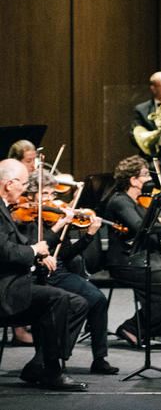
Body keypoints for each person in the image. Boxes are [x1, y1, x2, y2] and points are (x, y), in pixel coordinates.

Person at [0, 159, 87, 391]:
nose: (26, 190)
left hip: (16, 281)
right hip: (5, 288)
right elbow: (5, 252)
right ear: (9, 183)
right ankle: (52, 369)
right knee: (58, 299)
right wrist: (33, 251)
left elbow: (28, 247)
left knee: (77, 303)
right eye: (25, 184)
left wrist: (47, 240)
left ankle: (41, 363)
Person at [15, 170, 114, 375]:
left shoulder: (54, 217)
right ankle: (45, 358)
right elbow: (29, 251)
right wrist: (46, 249)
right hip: (36, 275)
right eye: (45, 194)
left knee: (97, 299)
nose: (50, 200)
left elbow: (66, 254)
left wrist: (88, 237)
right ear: (31, 194)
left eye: (53, 195)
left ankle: (100, 358)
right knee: (75, 305)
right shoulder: (26, 219)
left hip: (58, 272)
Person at [99, 155, 161, 348]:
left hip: (139, 257)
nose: (149, 179)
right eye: (144, 175)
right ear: (133, 180)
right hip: (125, 261)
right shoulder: (120, 201)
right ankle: (134, 327)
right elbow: (140, 227)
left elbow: (147, 223)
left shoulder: (134, 200)